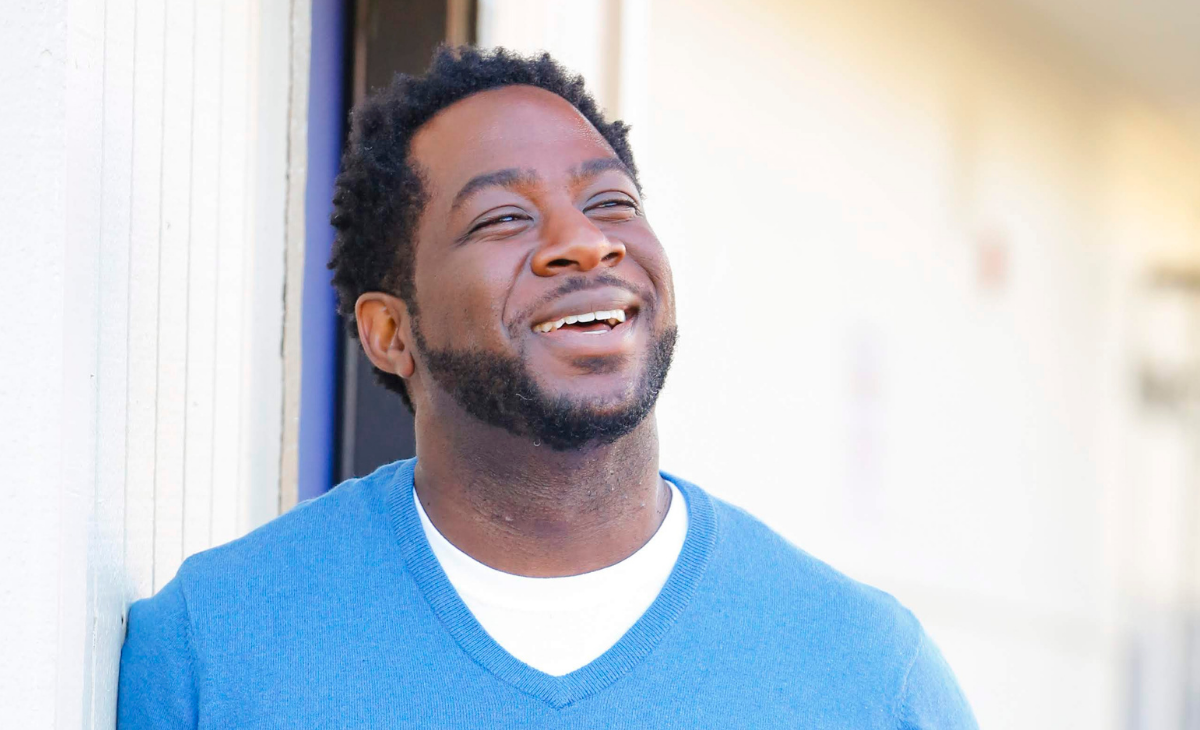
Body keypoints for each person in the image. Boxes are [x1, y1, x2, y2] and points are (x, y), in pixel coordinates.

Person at [118, 46, 977, 728]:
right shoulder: (216, 647)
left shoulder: (862, 672)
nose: (587, 244)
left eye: (612, 204)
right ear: (391, 332)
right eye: (503, 219)